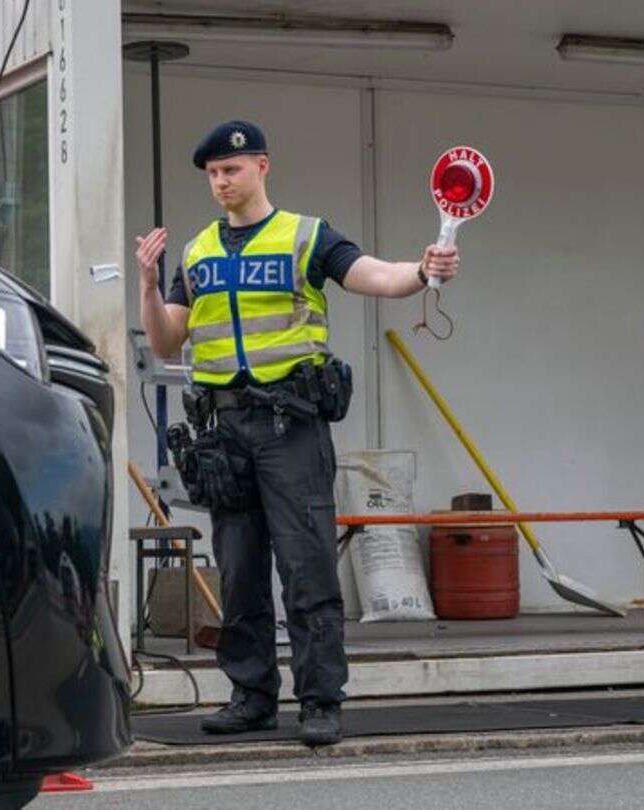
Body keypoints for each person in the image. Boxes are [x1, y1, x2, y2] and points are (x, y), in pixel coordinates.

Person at [135, 120, 460, 745]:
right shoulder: (200, 252)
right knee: (238, 570)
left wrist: (423, 269)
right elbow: (164, 339)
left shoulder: (305, 236)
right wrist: (149, 287)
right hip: (224, 432)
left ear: (262, 166)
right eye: (211, 173)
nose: (220, 181)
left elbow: (373, 276)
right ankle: (251, 697)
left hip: (290, 426)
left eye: (231, 169)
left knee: (306, 567)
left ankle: (319, 701)